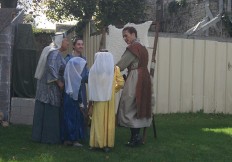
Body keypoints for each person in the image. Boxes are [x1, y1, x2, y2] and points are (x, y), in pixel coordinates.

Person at [116, 26, 152, 147]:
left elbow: (120, 65)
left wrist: (108, 69)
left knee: (130, 104)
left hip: (135, 77)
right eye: (123, 37)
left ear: (133, 34)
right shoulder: (143, 48)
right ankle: (136, 136)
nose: (125, 38)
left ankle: (135, 137)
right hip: (145, 77)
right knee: (139, 104)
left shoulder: (133, 48)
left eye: (126, 35)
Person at [32, 33, 69, 144]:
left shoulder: (54, 52)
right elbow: (51, 67)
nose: (68, 43)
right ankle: (49, 138)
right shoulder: (55, 53)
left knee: (44, 112)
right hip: (50, 90)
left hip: (47, 89)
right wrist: (59, 82)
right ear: (60, 42)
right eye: (66, 41)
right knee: (50, 112)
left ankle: (40, 136)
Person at [88, 51, 124, 152]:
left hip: (98, 98)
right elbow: (121, 83)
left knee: (98, 120)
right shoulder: (115, 69)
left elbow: (91, 84)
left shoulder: (94, 69)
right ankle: (107, 144)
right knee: (108, 120)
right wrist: (113, 90)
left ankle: (95, 143)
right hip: (109, 98)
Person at [62, 38, 89, 146]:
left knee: (80, 112)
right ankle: (68, 138)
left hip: (80, 88)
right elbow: (65, 74)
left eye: (82, 44)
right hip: (70, 89)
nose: (81, 46)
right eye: (78, 44)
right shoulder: (68, 58)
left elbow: (85, 75)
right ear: (73, 46)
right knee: (69, 112)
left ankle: (77, 137)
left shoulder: (84, 59)